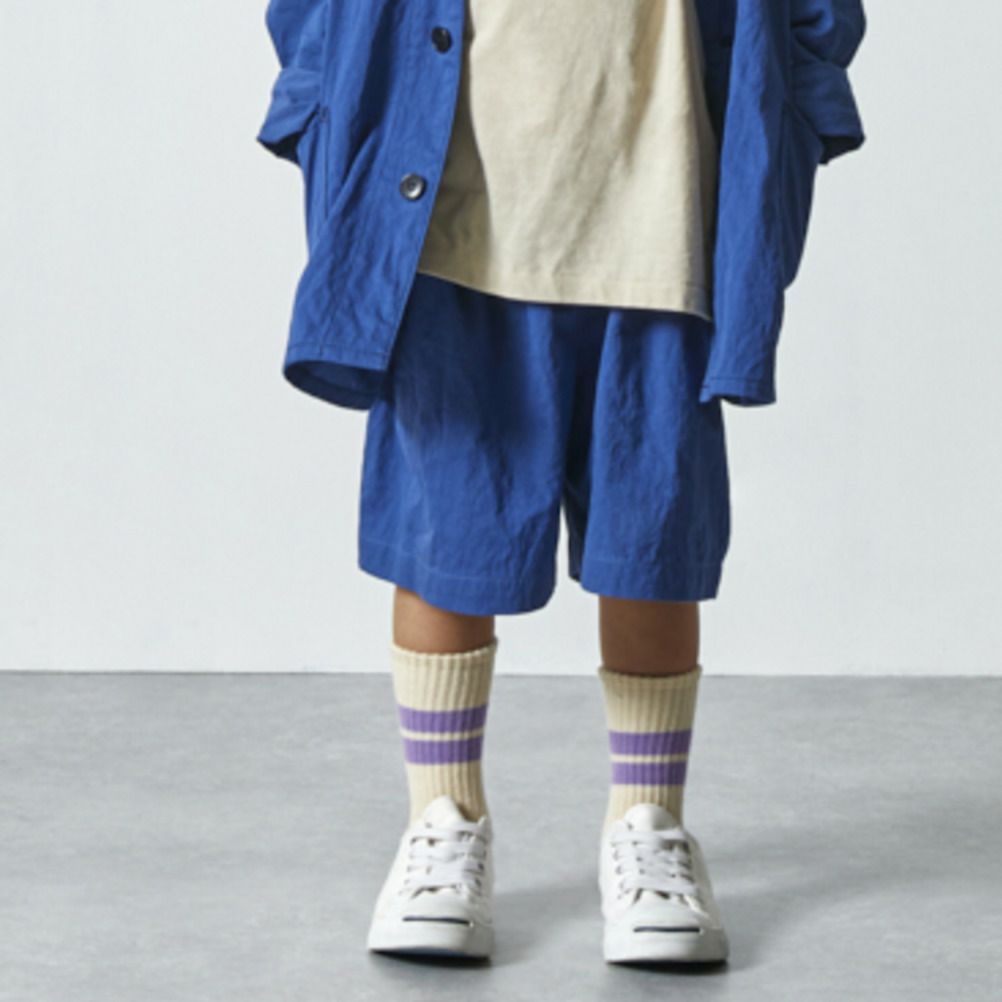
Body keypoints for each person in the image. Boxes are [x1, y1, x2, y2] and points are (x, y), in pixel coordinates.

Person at [256, 0, 866, 967]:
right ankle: (442, 821)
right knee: (445, 537)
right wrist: (324, 102)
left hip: (661, 202)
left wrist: (793, 112)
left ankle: (648, 822)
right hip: (454, 212)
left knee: (652, 541)